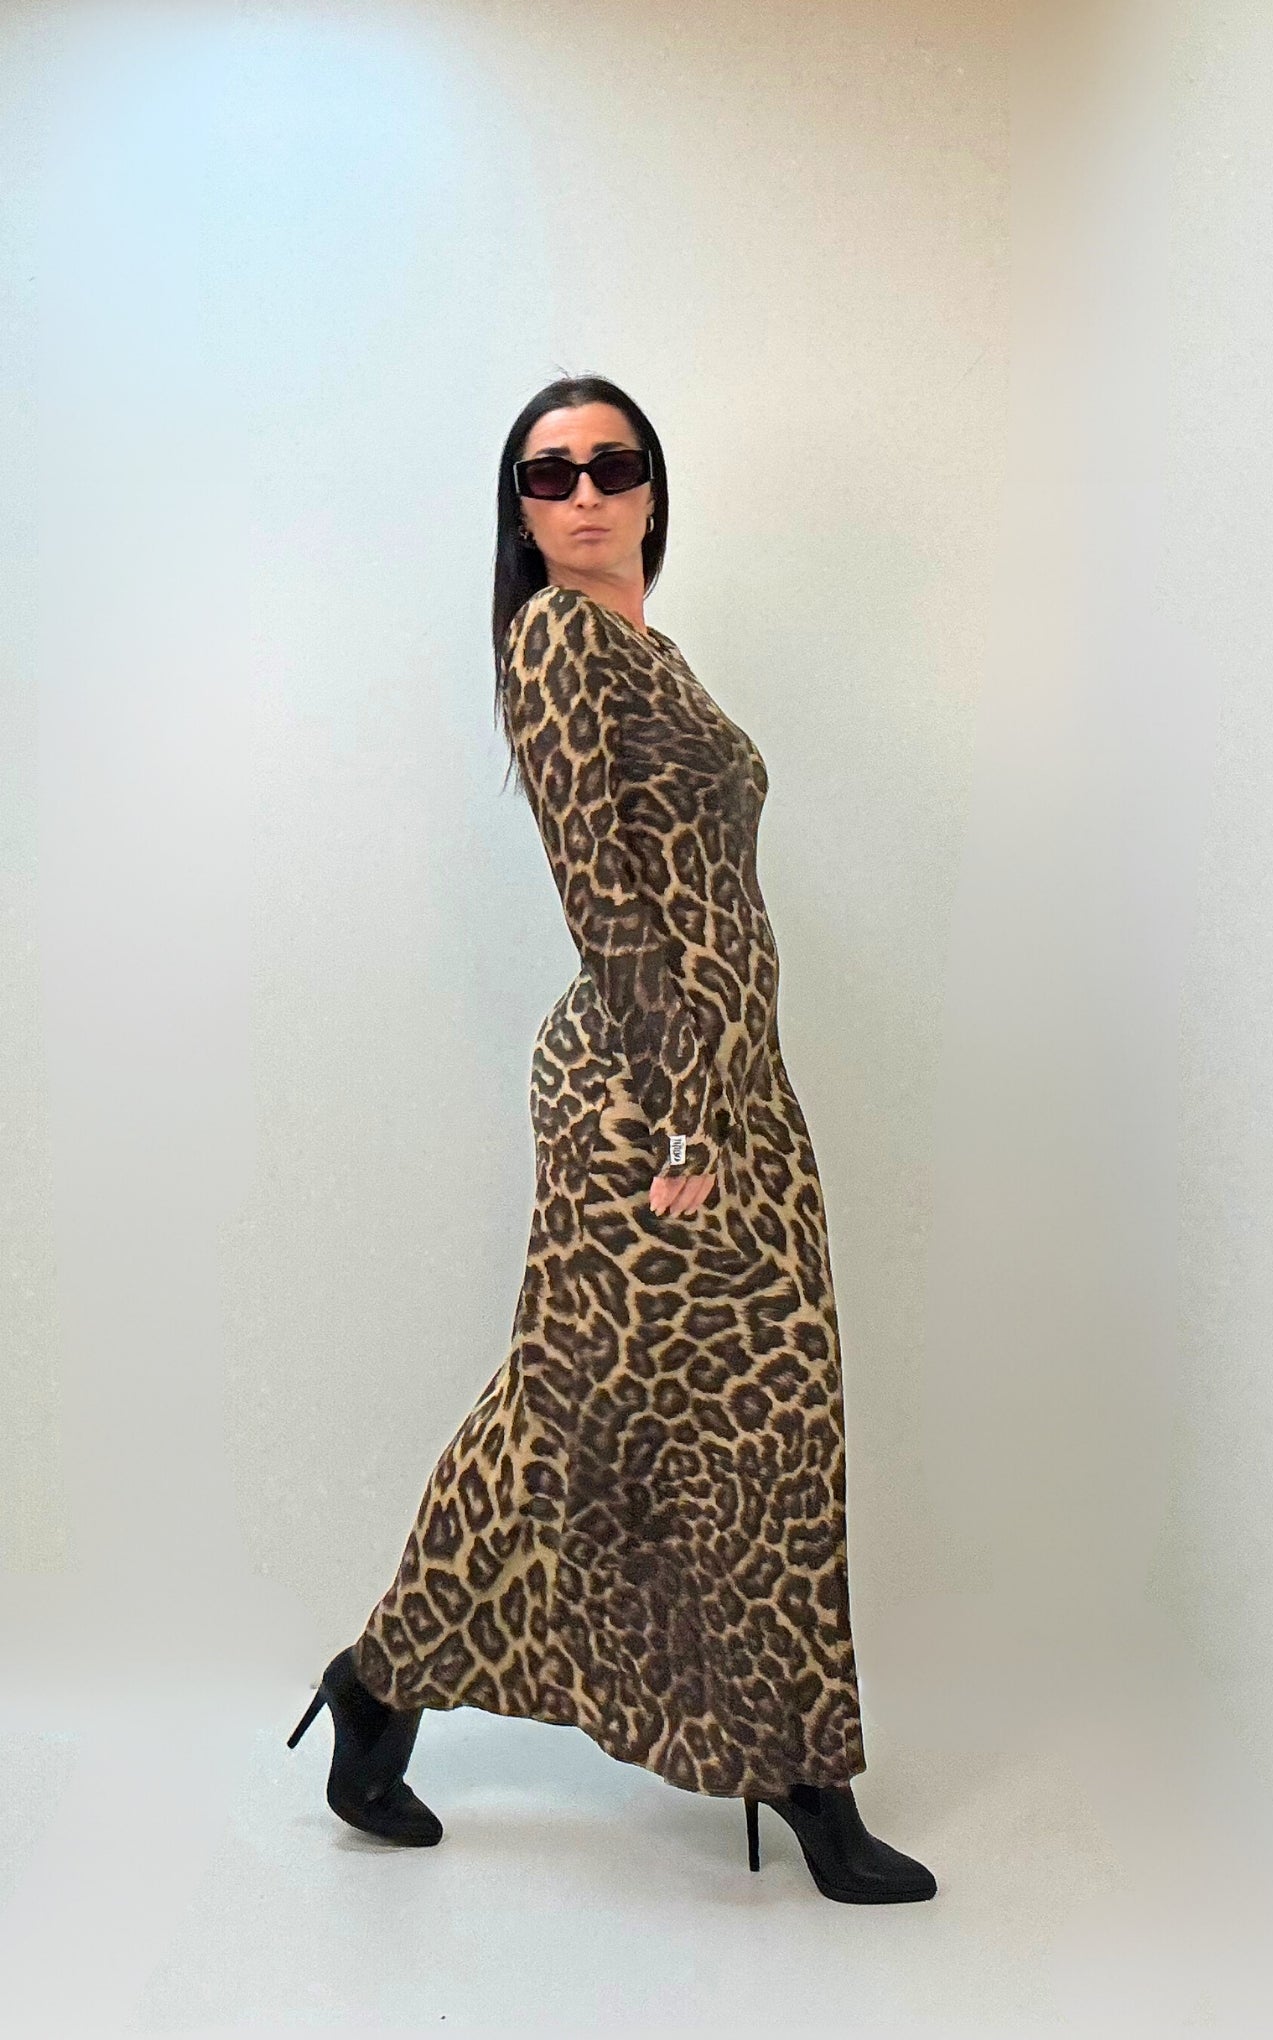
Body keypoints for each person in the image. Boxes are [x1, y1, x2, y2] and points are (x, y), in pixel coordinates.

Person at [287, 375, 937, 1905]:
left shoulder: (655, 652)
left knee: (720, 1422)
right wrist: (682, 1111)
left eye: (609, 463)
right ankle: (798, 1777)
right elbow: (602, 896)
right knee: (613, 1418)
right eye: (547, 474)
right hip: (646, 1100)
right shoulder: (555, 644)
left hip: (733, 1091)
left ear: (651, 489)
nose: (581, 491)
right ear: (520, 516)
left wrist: (729, 1095)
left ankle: (393, 1691)